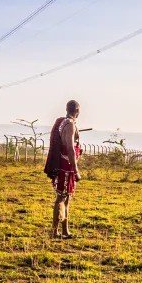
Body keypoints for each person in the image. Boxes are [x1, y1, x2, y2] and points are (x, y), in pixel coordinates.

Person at [44, 99, 82, 239]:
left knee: (67, 198)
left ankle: (65, 230)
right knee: (61, 198)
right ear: (77, 111)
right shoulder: (70, 125)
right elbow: (70, 149)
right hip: (66, 167)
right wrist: (76, 169)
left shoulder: (62, 123)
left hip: (66, 165)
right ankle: (54, 231)